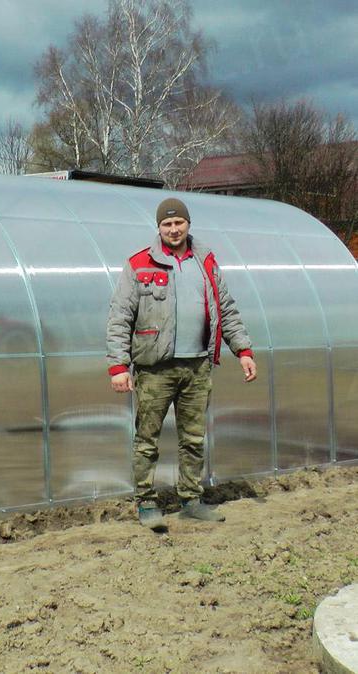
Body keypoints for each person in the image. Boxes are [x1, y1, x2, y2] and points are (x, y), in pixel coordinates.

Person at [106, 197, 257, 530]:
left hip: (197, 366)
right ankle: (146, 504)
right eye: (167, 224)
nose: (173, 229)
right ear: (158, 228)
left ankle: (191, 500)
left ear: (188, 224)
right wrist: (119, 366)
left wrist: (243, 350)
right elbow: (120, 318)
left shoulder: (205, 262)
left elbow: (226, 309)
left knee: (193, 438)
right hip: (155, 369)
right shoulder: (139, 264)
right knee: (147, 438)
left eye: (179, 223)